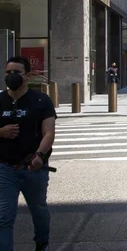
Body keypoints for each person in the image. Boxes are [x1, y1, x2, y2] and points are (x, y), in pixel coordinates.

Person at [0, 56, 56, 251]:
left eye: (17, 72)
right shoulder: (0, 100)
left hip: (33, 168)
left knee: (39, 211)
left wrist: (40, 155)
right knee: (3, 216)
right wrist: (1, 132)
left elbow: (49, 132)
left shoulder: (41, 100)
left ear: (27, 75)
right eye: (8, 73)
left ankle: (42, 242)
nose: (12, 76)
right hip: (5, 168)